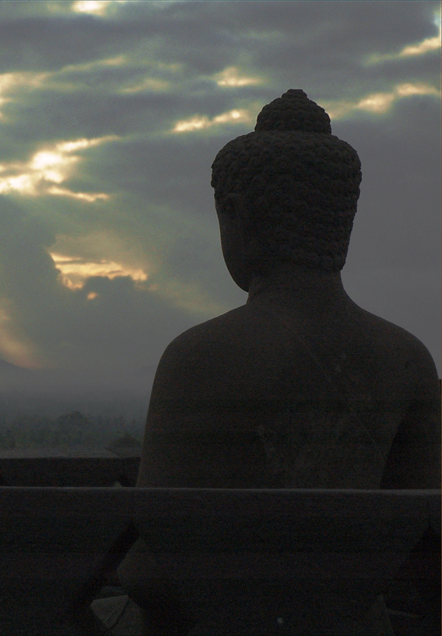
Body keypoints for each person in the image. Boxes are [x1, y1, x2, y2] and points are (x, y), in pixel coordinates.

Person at [116, 89, 441, 635]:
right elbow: (430, 557)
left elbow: (155, 574)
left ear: (236, 214)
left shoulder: (198, 357)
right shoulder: (406, 359)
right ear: (341, 220)